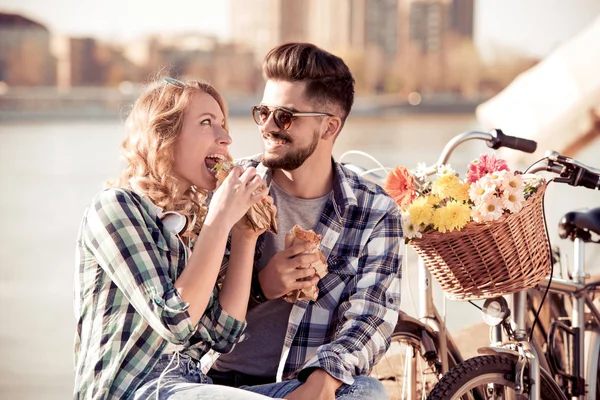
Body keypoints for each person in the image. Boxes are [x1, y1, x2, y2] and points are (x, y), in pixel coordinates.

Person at [207, 43, 403, 399]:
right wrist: (260, 287)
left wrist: (323, 379)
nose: (267, 126)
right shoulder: (229, 186)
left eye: (285, 116)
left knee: (367, 394)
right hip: (214, 384)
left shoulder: (375, 210)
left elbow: (371, 318)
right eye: (263, 112)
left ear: (330, 127)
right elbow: (190, 304)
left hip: (304, 383)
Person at [73, 77, 275, 400]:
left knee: (362, 391)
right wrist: (220, 218)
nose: (226, 138)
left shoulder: (190, 226)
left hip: (192, 384)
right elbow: (175, 321)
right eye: (207, 123)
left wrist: (245, 233)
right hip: (134, 388)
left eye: (223, 124)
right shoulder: (114, 207)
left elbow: (222, 333)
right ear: (164, 137)